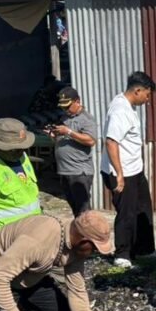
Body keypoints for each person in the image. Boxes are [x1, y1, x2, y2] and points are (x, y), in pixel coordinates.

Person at [100, 71, 156, 268]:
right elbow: (111, 142)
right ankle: (123, 254)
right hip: (122, 171)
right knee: (127, 212)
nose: (148, 99)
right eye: (147, 95)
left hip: (135, 169)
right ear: (137, 90)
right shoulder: (120, 111)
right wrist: (120, 174)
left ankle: (144, 249)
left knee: (143, 208)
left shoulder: (127, 105)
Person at [49, 87, 97, 216]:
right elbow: (62, 140)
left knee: (83, 211)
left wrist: (68, 132)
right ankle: (79, 228)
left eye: (68, 106)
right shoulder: (64, 118)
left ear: (77, 101)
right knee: (75, 209)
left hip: (79, 172)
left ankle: (87, 229)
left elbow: (91, 140)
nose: (66, 110)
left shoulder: (86, 119)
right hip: (65, 170)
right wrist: (54, 135)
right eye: (63, 107)